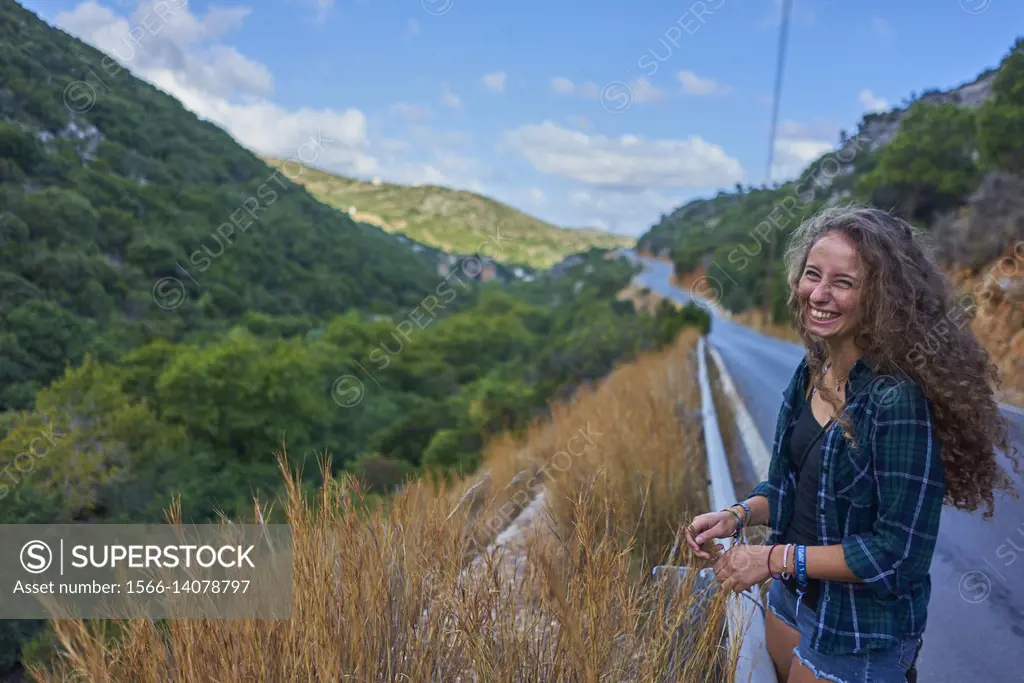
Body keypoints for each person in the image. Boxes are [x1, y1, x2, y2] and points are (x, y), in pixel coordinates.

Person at [684, 205, 1021, 683]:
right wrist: (736, 516)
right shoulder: (809, 373)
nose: (819, 294)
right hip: (789, 600)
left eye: (843, 282)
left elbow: (897, 555)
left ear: (881, 297)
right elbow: (786, 488)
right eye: (812, 275)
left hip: (857, 636)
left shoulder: (897, 399)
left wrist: (771, 558)